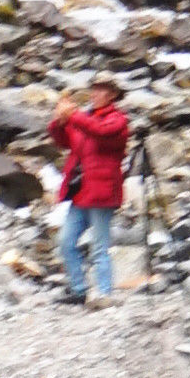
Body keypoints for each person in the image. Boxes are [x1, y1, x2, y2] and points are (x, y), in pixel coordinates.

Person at [48, 76, 132, 303]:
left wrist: (72, 115)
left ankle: (105, 293)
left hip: (103, 192)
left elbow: (100, 131)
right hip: (82, 191)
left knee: (100, 246)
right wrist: (59, 121)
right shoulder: (86, 119)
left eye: (100, 90)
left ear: (112, 95)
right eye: (93, 90)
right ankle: (79, 289)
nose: (94, 94)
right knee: (65, 242)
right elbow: (64, 140)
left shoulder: (118, 121)